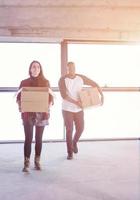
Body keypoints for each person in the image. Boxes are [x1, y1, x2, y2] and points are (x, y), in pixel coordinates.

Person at [58, 61, 104, 160]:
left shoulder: (80, 78)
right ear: (66, 69)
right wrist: (76, 102)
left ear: (75, 68)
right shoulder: (62, 79)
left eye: (73, 68)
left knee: (81, 128)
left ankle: (74, 143)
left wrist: (102, 94)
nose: (71, 70)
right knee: (69, 130)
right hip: (67, 108)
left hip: (79, 109)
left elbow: (94, 84)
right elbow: (64, 96)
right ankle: (70, 153)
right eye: (69, 68)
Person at [17, 60, 53, 172]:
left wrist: (49, 105)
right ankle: (26, 162)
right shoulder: (24, 82)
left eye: (38, 67)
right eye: (33, 67)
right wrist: (20, 106)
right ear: (30, 69)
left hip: (41, 114)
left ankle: (37, 161)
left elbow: (50, 98)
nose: (36, 69)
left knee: (38, 139)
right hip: (28, 114)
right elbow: (19, 97)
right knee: (28, 138)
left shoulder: (46, 82)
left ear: (40, 69)